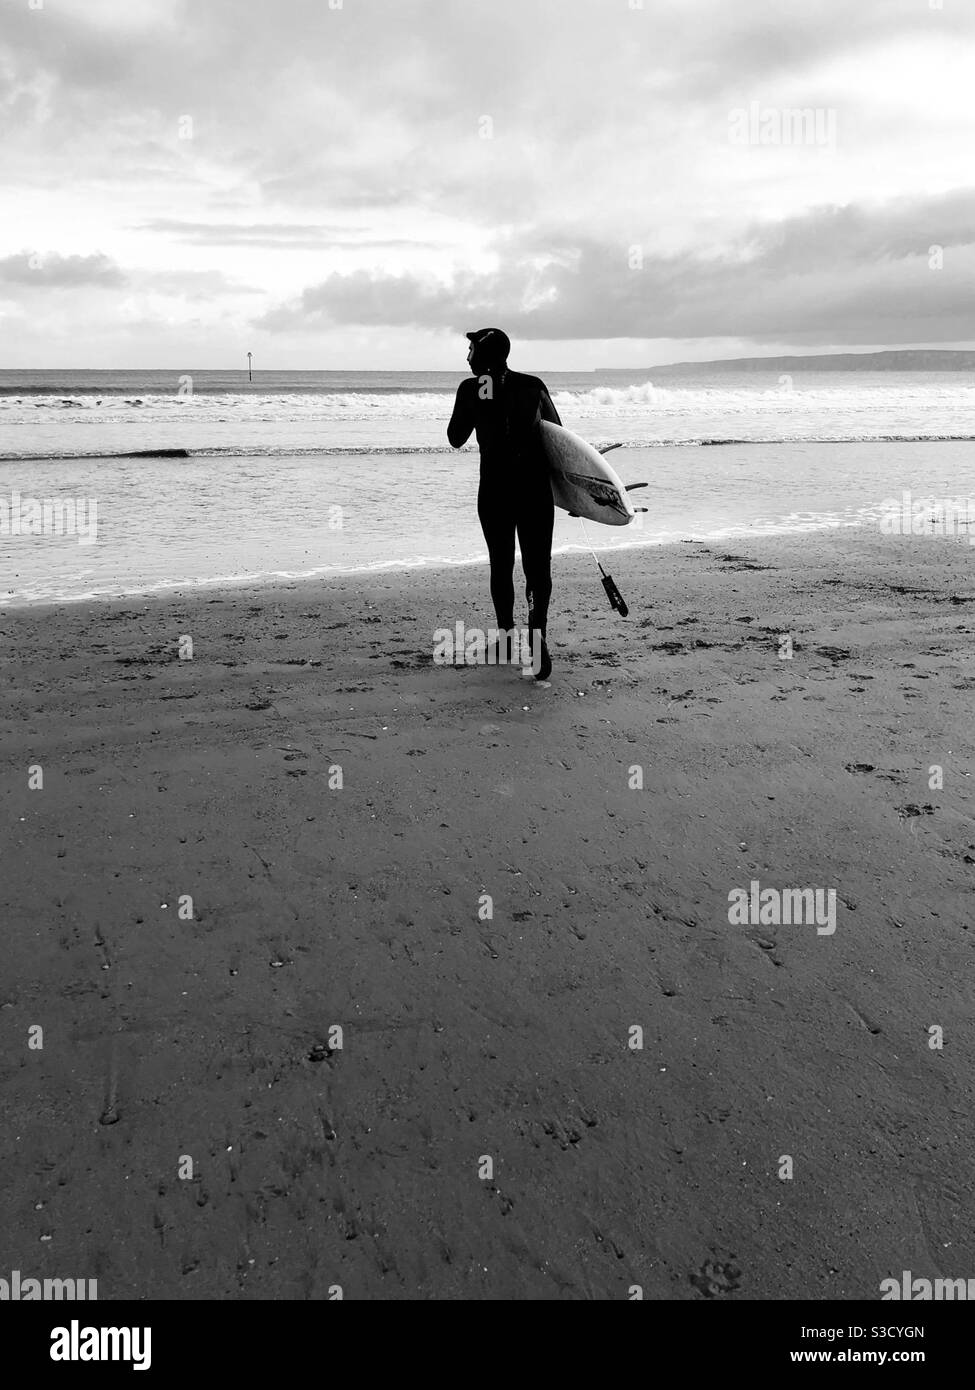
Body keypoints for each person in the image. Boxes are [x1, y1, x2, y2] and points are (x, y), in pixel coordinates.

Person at [447, 328, 560, 681]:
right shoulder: (533, 385)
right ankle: (536, 640)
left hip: (496, 492)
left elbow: (455, 437)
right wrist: (573, 493)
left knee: (501, 564)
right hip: (535, 490)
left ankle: (508, 639)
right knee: (537, 568)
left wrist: (478, 402)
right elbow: (558, 437)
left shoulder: (473, 388)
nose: (466, 357)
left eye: (470, 350)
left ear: (483, 355)